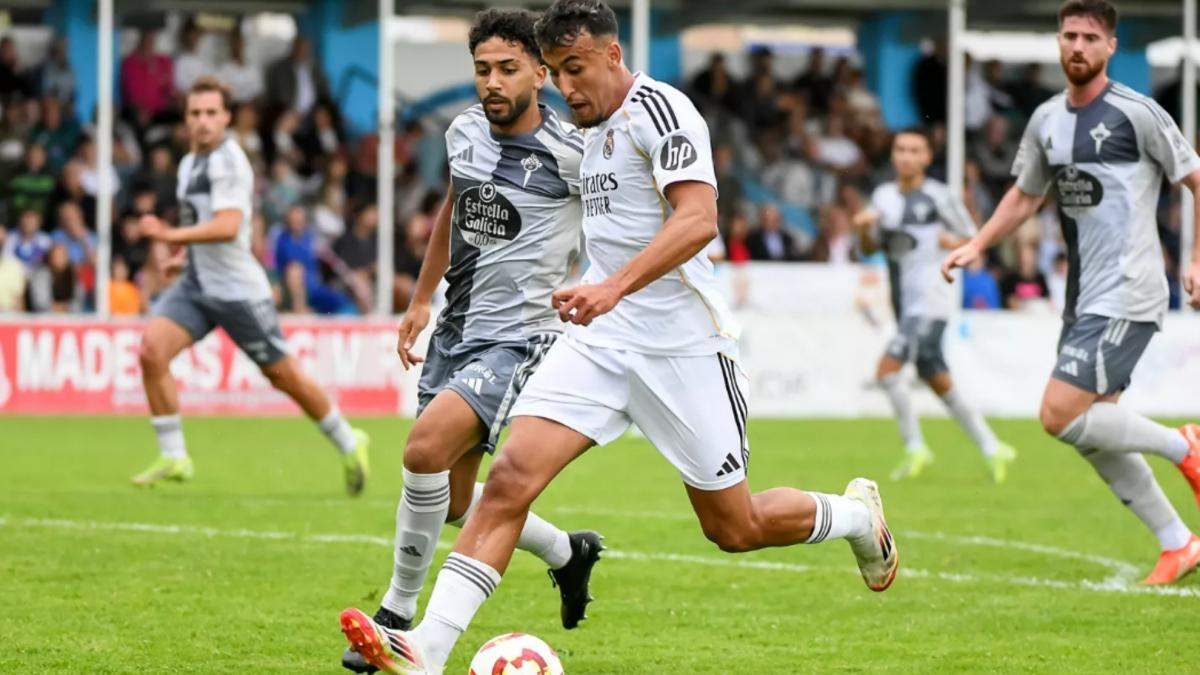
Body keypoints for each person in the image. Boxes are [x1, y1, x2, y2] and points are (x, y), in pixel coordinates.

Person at [339, 3, 898, 673]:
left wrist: (612, 285)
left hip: (682, 346)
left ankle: (857, 516)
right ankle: (426, 647)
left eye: (576, 70)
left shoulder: (662, 112)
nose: (567, 87)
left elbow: (698, 220)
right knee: (509, 478)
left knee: (734, 526)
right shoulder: (585, 130)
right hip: (598, 343)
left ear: (611, 56)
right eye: (557, 73)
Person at [338, 11, 600, 673]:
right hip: (457, 329)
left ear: (541, 72)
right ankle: (570, 553)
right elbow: (454, 209)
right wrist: (421, 298)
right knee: (455, 503)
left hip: (521, 340)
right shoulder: (462, 132)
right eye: (483, 68)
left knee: (422, 448)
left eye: (508, 68)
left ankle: (397, 615)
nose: (493, 81)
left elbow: (619, 226)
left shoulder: (574, 154)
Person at [943, 0, 1200, 584]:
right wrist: (978, 242)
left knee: (1059, 415)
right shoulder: (1046, 120)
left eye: (1089, 37)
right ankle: (1177, 542)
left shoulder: (1139, 113)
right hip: (1081, 297)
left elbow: (1195, 178)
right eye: (1068, 36)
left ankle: (1183, 444)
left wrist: (1196, 259)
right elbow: (1025, 194)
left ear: (1110, 46)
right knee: (1094, 432)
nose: (1077, 46)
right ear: (1058, 43)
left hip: (1131, 290)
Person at [129, 77, 370, 495]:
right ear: (186, 119)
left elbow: (228, 227)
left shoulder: (229, 162)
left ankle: (350, 440)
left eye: (210, 113)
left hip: (238, 291)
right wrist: (182, 256)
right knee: (152, 351)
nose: (203, 122)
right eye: (195, 113)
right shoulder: (189, 164)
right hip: (196, 285)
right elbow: (201, 224)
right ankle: (174, 455)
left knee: (283, 376)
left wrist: (169, 236)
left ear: (225, 117)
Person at [855, 129, 1017, 483]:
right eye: (900, 149)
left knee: (886, 372)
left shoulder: (941, 197)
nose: (907, 156)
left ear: (927, 157)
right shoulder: (883, 197)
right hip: (904, 300)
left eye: (915, 150)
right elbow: (869, 248)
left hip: (933, 300)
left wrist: (952, 241)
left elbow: (975, 241)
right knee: (936, 377)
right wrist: (864, 230)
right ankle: (993, 447)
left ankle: (915, 447)